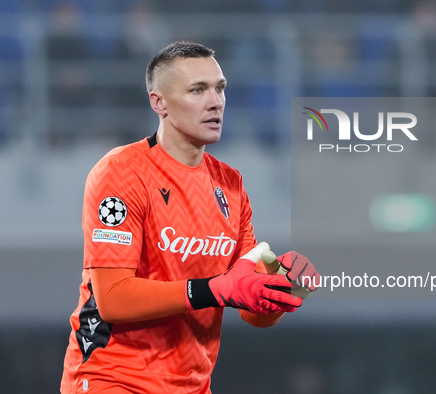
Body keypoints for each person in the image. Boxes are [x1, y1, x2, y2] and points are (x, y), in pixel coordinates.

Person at [60, 41, 319, 393]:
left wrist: (279, 287)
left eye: (220, 88)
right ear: (159, 102)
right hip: (114, 380)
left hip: (193, 386)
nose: (215, 102)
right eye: (198, 90)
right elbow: (113, 299)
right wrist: (213, 289)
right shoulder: (122, 173)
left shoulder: (231, 185)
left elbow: (250, 309)